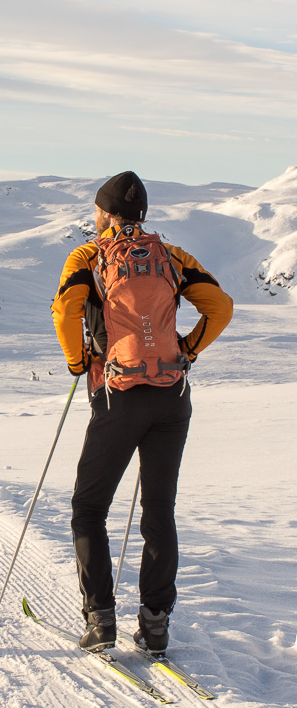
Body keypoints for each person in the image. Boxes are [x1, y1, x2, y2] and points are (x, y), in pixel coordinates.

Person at [51, 171, 233, 653]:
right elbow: (220, 306)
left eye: (96, 211)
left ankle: (101, 619)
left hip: (119, 394)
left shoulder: (88, 255)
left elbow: (67, 309)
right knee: (159, 510)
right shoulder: (171, 256)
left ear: (106, 214)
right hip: (172, 395)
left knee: (89, 508)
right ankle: (155, 623)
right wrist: (187, 350)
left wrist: (76, 362)